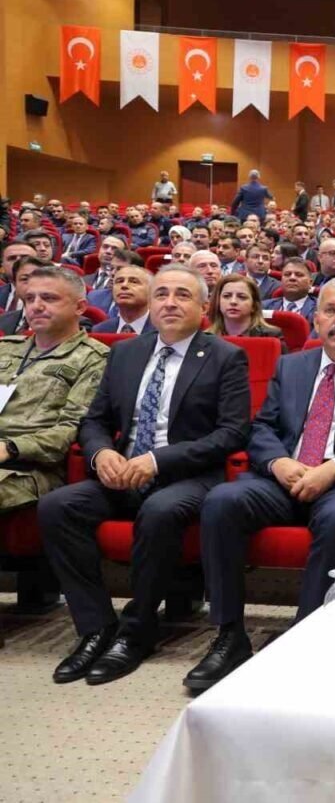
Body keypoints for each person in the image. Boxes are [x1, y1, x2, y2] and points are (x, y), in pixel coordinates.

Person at [190, 279, 335, 689]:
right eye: (330, 311)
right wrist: (278, 462)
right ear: (316, 319)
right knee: (221, 500)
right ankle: (228, 634)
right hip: (283, 477)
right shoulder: (292, 366)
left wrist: (334, 468)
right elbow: (262, 426)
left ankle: (305, 634)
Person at [39, 266, 251, 685]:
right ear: (150, 304)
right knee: (57, 507)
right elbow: (95, 420)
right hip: (122, 470)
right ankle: (96, 627)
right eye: (161, 294)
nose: (170, 303)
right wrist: (101, 453)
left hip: (187, 475)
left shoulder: (225, 356)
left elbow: (231, 433)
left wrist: (158, 461)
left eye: (182, 295)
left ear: (203, 307)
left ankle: (137, 632)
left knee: (159, 510)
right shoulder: (125, 352)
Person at [0, 267, 108, 516]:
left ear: (79, 307)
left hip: (28, 468)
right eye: (29, 299)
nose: (36, 306)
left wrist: (10, 447)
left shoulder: (94, 358)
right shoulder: (5, 348)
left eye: (48, 298)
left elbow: (72, 427)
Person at [210, 274, 287, 351]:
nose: (233, 301)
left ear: (254, 305)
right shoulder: (207, 337)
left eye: (242, 297)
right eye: (227, 296)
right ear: (218, 301)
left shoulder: (272, 337)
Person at [91, 264, 152, 335]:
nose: (124, 285)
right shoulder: (100, 330)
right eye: (119, 281)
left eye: (134, 282)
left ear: (152, 290)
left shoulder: (161, 329)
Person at [263, 257, 318, 324]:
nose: (292, 278)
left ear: (310, 283)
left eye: (299, 275)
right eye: (287, 274)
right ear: (281, 280)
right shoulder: (264, 306)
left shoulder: (318, 308)